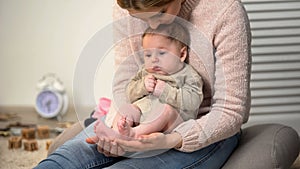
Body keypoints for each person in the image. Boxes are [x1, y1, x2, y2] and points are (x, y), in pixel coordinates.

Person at [35, 0, 252, 168]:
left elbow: (230, 110)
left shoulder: (225, 11)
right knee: (65, 158)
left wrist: (171, 140)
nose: (153, 25)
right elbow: (125, 82)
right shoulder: (127, 8)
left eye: (160, 12)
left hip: (203, 128)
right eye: (139, 18)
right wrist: (120, 123)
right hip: (142, 116)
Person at [115, 22, 203, 138]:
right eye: (148, 55)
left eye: (161, 53)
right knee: (126, 108)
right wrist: (142, 86)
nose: (154, 59)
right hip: (143, 115)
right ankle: (115, 136)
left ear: (181, 54)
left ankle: (134, 134)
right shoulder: (145, 72)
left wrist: (166, 91)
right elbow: (129, 93)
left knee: (166, 110)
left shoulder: (188, 75)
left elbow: (194, 101)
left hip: (171, 123)